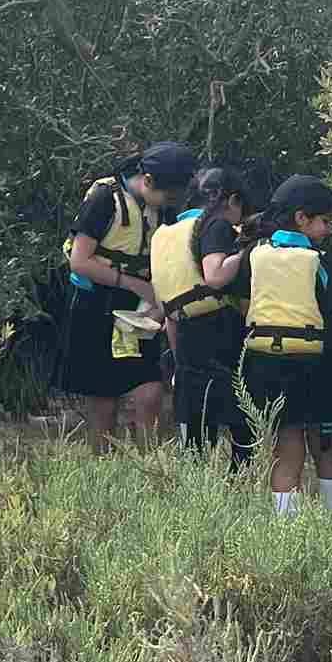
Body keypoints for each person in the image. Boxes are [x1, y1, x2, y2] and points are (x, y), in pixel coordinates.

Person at [226, 175, 332, 515]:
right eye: (325, 221)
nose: (328, 229)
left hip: (265, 367)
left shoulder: (253, 255)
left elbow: (243, 305)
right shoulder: (320, 263)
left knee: (286, 447)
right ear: (301, 219)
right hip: (317, 368)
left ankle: (285, 529)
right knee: (326, 447)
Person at [58, 142, 199, 451]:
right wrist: (134, 285)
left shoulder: (161, 208)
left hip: (138, 312)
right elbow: (80, 261)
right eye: (169, 195)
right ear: (147, 180)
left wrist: (157, 306)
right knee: (104, 405)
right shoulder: (104, 199)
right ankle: (103, 472)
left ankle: (150, 471)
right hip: (95, 304)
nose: (171, 202)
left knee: (150, 395)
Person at [152, 163, 256, 467]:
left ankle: (197, 487)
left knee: (194, 429)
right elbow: (215, 276)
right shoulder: (216, 224)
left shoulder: (164, 235)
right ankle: (241, 484)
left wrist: (176, 357)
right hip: (220, 332)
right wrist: (246, 252)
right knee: (241, 422)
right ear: (232, 201)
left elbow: (168, 309)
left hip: (184, 336)